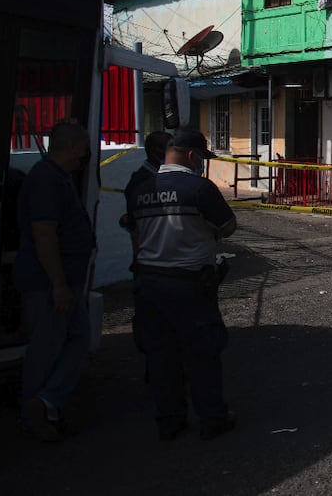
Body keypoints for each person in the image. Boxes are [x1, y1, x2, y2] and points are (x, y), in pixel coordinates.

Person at [127, 129, 238, 441]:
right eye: (201, 158)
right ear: (192, 156)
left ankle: (169, 420)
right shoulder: (199, 188)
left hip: (149, 283)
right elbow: (227, 227)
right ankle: (213, 419)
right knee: (202, 353)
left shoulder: (141, 188)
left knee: (161, 355)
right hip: (188, 284)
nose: (201, 163)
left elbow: (135, 232)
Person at [13, 121, 95, 442]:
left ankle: (47, 401)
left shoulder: (59, 178)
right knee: (46, 349)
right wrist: (58, 283)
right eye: (84, 146)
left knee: (78, 340)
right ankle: (34, 415)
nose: (86, 153)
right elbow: (44, 235)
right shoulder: (47, 180)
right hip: (49, 283)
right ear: (73, 146)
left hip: (65, 281)